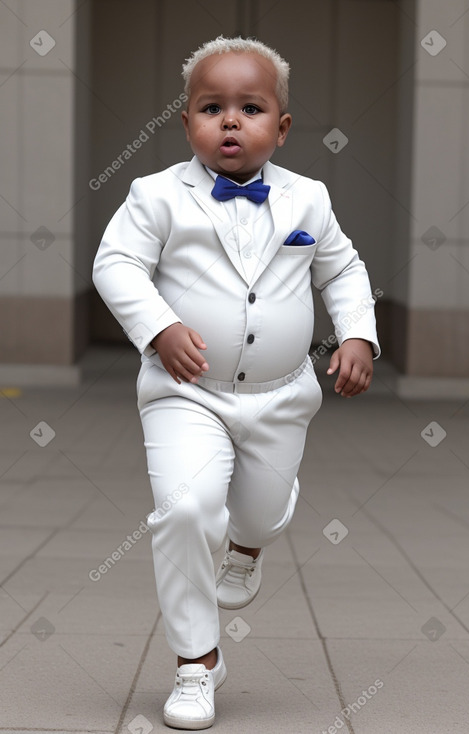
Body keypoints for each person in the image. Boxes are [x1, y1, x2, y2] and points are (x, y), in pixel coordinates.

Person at [93, 35, 380, 730]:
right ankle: (197, 663)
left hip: (279, 395)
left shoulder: (308, 199)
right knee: (187, 509)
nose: (229, 121)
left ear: (279, 128)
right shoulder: (154, 195)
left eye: (249, 108)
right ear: (186, 121)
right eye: (210, 107)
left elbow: (339, 270)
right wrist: (159, 327)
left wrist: (356, 336)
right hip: (183, 391)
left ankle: (249, 545)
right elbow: (115, 265)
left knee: (255, 512)